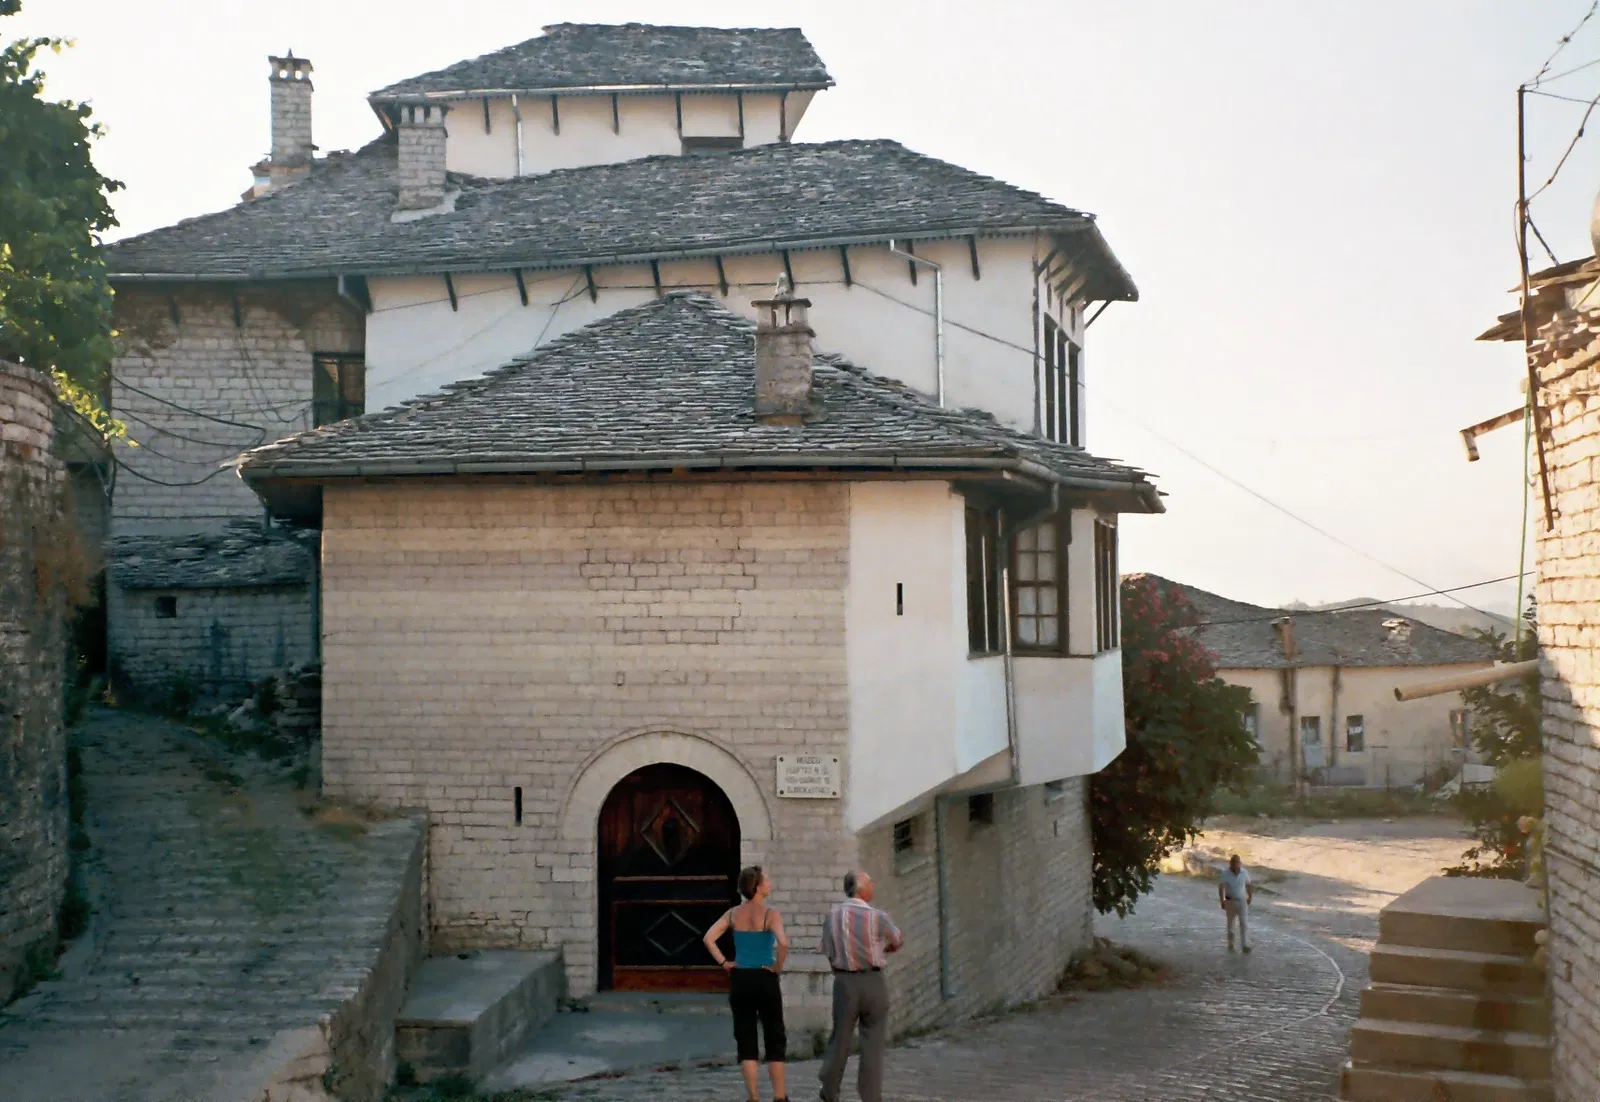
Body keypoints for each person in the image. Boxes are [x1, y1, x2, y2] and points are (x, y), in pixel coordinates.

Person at [703, 866, 790, 1102]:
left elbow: (708, 938)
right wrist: (777, 968)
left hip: (741, 978)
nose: (770, 883)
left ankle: (753, 1097)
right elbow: (783, 943)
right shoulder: (771, 914)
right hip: (765, 977)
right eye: (767, 880)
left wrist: (724, 962)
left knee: (746, 1037)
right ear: (758, 887)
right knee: (774, 1037)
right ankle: (780, 1097)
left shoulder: (732, 914)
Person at [818, 869, 903, 1102]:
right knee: (873, 1041)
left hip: (844, 981)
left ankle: (829, 1089)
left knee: (840, 1037)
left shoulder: (833, 915)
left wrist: (839, 969)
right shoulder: (878, 916)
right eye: (871, 883)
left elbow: (827, 949)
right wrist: (884, 950)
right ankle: (870, 1095)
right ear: (861, 889)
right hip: (873, 981)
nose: (873, 887)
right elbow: (896, 939)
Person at [1219, 853, 1254, 953]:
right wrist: (1222, 901)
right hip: (1230, 901)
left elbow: (1248, 885)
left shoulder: (1244, 872)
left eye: (1237, 862)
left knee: (1244, 923)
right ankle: (1231, 944)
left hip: (1242, 901)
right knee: (1231, 924)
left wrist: (1250, 897)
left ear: (1240, 863)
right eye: (1233, 862)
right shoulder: (1225, 873)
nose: (1235, 864)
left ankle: (1244, 945)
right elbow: (1221, 887)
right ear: (1230, 863)